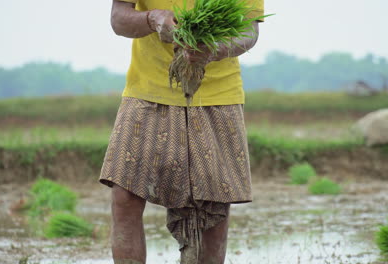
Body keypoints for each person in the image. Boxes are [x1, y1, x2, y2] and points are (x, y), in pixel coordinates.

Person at [98, 0, 264, 263]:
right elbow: (119, 18)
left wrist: (215, 50)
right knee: (124, 196)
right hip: (146, 89)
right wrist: (152, 19)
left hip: (217, 95)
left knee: (214, 205)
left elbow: (249, 31)